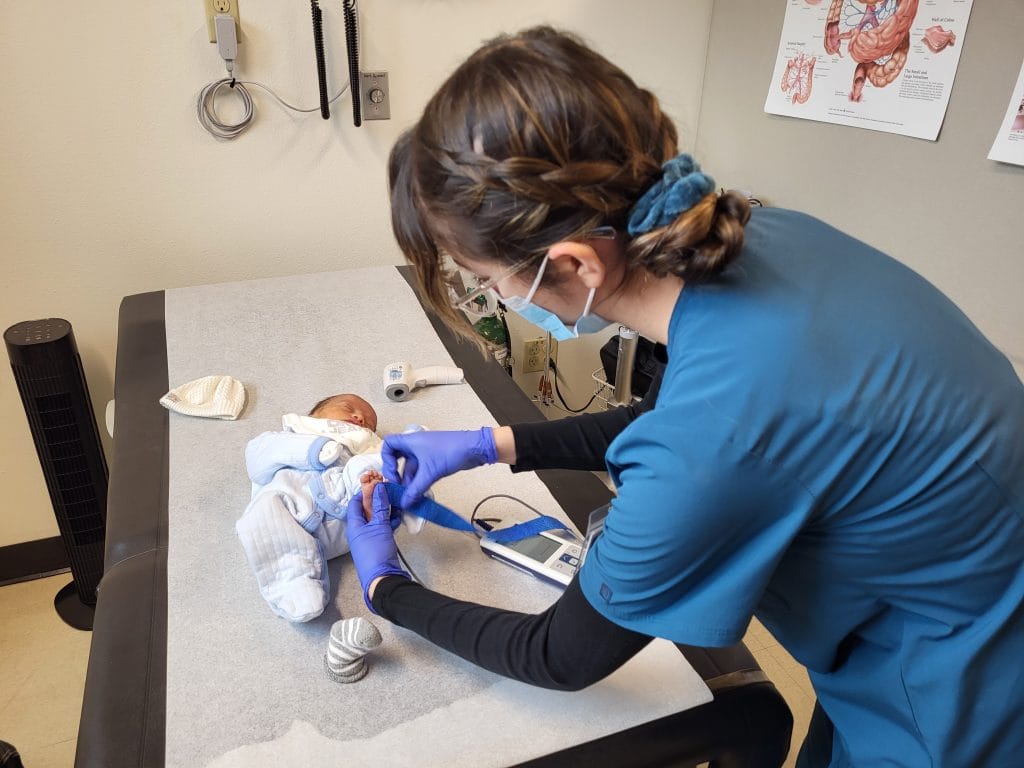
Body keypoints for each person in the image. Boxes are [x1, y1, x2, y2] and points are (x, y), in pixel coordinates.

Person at [343, 26, 1024, 767]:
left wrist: (384, 586)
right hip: (956, 589)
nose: (494, 297)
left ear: (570, 262)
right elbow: (708, 417)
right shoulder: (766, 233)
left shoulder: (719, 433)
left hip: (961, 688)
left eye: (487, 280)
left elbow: (559, 656)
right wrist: (493, 444)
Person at [237, 393, 419, 622]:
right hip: (291, 500)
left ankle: (411, 453)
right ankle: (295, 581)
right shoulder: (296, 431)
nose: (359, 417)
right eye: (347, 407)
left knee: (372, 469)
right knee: (260, 516)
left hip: (347, 512)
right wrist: (313, 450)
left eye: (369, 422)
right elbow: (257, 458)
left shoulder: (367, 447)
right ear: (313, 415)